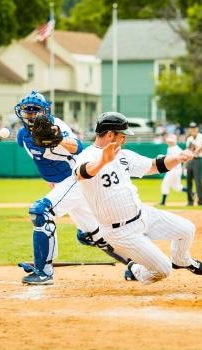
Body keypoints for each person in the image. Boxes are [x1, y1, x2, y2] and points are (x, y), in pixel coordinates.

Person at [73, 112, 202, 285]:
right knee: (163, 270)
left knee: (187, 229)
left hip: (143, 214)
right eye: (122, 136)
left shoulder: (123, 155)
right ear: (109, 134)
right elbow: (81, 173)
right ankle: (135, 269)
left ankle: (181, 260)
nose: (124, 139)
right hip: (120, 231)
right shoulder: (88, 156)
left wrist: (178, 158)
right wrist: (102, 161)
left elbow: (154, 165)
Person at [14, 91, 127, 285]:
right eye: (27, 110)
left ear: (45, 112)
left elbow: (77, 146)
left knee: (42, 211)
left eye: (36, 110)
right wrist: (52, 179)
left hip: (77, 178)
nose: (31, 114)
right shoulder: (22, 135)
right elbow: (40, 158)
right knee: (94, 235)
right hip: (66, 184)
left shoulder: (56, 127)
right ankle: (136, 264)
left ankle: (44, 271)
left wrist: (57, 139)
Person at [185, 122, 202, 206]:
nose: (193, 129)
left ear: (197, 129)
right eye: (191, 128)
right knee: (188, 181)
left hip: (198, 160)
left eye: (194, 128)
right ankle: (190, 201)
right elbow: (187, 152)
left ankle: (200, 201)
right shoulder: (189, 138)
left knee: (198, 181)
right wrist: (185, 166)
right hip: (190, 160)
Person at [159, 134, 185, 206]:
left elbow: (174, 159)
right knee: (177, 187)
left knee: (165, 184)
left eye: (171, 141)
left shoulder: (177, 149)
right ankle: (191, 193)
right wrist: (165, 157)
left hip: (174, 170)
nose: (170, 142)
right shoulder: (169, 148)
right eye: (169, 141)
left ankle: (163, 202)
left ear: (175, 141)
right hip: (173, 170)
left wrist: (164, 157)